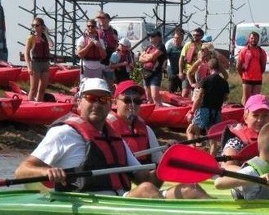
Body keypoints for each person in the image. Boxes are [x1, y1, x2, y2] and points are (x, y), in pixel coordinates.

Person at [14, 78, 208, 199]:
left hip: (121, 198)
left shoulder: (114, 138)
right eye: (91, 98)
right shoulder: (63, 133)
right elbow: (22, 170)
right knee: (147, 190)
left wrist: (166, 163)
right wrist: (48, 171)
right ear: (78, 101)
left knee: (190, 189)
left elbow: (145, 180)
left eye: (103, 100)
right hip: (86, 201)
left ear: (109, 105)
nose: (97, 104)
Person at [186, 57, 230, 152]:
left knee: (190, 131)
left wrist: (192, 111)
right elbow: (225, 98)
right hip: (217, 112)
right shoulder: (224, 83)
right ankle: (213, 161)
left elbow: (199, 97)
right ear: (219, 68)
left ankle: (192, 152)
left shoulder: (205, 80)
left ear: (209, 68)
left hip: (204, 110)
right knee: (212, 138)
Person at [24, 17, 53, 102]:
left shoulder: (45, 37)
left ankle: (39, 104)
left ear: (42, 26)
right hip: (35, 64)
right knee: (33, 89)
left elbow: (51, 44)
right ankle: (29, 105)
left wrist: (46, 34)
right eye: (33, 25)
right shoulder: (31, 37)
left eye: (37, 25)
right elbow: (26, 53)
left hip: (45, 64)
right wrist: (28, 67)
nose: (34, 27)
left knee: (42, 89)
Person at [235, 31, 267, 105]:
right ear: (249, 39)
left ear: (258, 40)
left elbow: (263, 66)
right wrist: (242, 75)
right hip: (247, 78)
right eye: (252, 38)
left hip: (258, 78)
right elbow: (238, 66)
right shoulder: (244, 50)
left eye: (255, 38)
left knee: (255, 99)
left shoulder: (261, 52)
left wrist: (259, 73)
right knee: (246, 99)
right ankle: (245, 113)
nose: (254, 40)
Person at [138, 30, 167, 106]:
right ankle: (151, 112)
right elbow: (140, 59)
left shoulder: (161, 47)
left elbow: (152, 57)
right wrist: (147, 58)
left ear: (159, 38)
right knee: (148, 96)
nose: (150, 38)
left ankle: (160, 111)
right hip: (146, 72)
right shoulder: (148, 47)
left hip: (155, 73)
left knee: (155, 96)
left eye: (153, 36)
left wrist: (146, 56)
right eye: (150, 36)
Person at [179, 27, 204, 98]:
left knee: (197, 93)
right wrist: (180, 71)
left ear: (201, 36)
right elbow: (181, 58)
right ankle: (182, 107)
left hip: (199, 73)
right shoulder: (188, 44)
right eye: (194, 35)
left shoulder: (203, 46)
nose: (195, 36)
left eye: (197, 35)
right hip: (188, 71)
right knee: (185, 92)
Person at [96, 11, 119, 86]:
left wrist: (115, 60)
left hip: (109, 59)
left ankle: (110, 96)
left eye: (103, 18)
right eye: (99, 18)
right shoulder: (96, 31)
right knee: (98, 82)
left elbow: (116, 45)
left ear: (108, 20)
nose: (101, 20)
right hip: (99, 58)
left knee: (110, 82)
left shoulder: (113, 31)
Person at [165, 26, 184, 93]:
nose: (176, 39)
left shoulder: (184, 48)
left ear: (182, 39)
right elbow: (164, 58)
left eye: (178, 38)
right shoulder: (170, 48)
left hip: (182, 73)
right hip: (172, 72)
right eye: (175, 38)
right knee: (171, 91)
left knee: (184, 92)